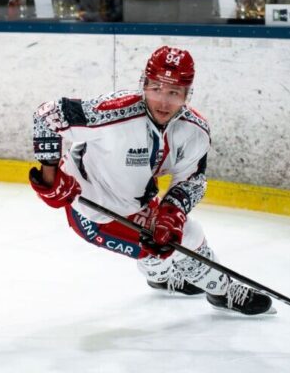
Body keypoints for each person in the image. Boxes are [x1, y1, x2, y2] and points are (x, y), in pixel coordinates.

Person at [29, 45, 274, 316]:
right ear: (143, 85)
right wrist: (52, 178)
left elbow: (192, 180)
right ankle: (221, 291)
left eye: (174, 93)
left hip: (138, 199)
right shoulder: (113, 112)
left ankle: (159, 276)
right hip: (92, 210)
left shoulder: (194, 131)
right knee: (184, 237)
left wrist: (172, 214)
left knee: (169, 234)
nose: (163, 102)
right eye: (156, 89)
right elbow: (47, 115)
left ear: (187, 94)